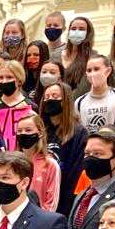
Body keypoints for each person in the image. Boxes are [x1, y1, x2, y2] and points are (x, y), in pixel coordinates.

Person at [41, 82, 88, 216]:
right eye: (47, 97)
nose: (50, 100)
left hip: (64, 199)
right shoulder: (41, 130)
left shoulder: (79, 133)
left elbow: (76, 172)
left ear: (66, 100)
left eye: (55, 96)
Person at [15, 114, 61, 212]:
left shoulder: (50, 164)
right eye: (19, 131)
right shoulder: (13, 162)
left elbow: (51, 204)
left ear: (40, 133)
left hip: (38, 221)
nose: (23, 134)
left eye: (28, 130)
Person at [75, 54, 115, 134]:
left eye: (96, 69)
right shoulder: (79, 102)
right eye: (89, 70)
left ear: (108, 71)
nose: (92, 73)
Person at [61, 16, 95, 96]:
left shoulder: (92, 57)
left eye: (81, 29)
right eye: (73, 29)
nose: (76, 31)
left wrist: (67, 102)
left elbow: (84, 87)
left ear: (88, 33)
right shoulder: (57, 55)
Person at [23, 40, 51, 104]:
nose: (31, 58)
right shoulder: (23, 77)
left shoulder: (49, 79)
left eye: (36, 55)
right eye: (28, 55)